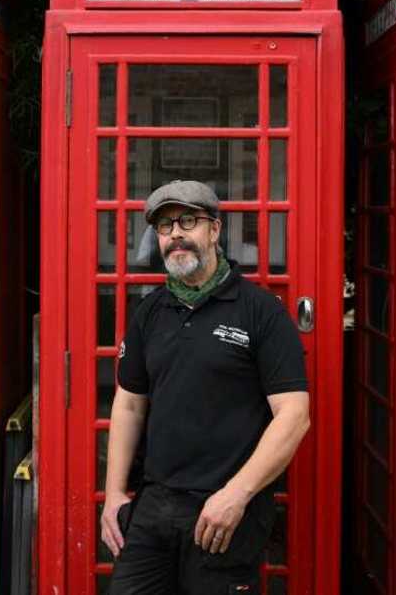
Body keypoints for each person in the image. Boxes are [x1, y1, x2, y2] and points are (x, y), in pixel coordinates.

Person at [101, 179, 310, 594]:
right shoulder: (149, 313)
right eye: (164, 226)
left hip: (225, 515)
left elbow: (294, 415)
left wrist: (237, 494)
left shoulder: (261, 311)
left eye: (188, 221)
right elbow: (128, 406)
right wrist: (112, 495)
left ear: (214, 231)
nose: (176, 233)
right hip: (154, 506)